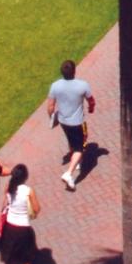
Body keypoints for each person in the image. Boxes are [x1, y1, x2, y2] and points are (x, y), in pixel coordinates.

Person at [47, 59, 96, 190]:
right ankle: (69, 173)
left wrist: (52, 118)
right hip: (78, 122)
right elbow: (91, 100)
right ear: (74, 71)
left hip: (63, 121)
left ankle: (76, 162)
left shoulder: (55, 86)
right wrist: (91, 108)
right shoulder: (83, 85)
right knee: (81, 147)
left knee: (71, 140)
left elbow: (50, 106)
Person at [0, 164, 40, 264]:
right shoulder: (28, 191)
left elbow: (4, 206)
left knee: (12, 254)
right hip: (23, 228)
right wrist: (32, 213)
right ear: (25, 176)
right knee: (28, 251)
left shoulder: (9, 187)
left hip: (10, 227)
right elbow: (37, 209)